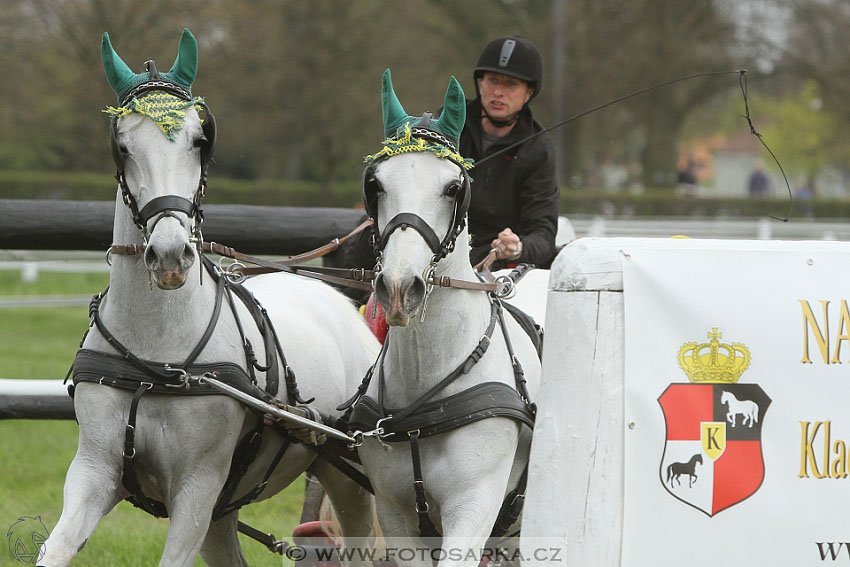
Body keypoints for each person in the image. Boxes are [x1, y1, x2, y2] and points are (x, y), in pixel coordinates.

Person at [459, 35, 560, 270]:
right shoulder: (450, 122)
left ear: (528, 93)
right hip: (434, 242)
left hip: (490, 255)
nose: (498, 92)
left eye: (510, 84)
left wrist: (517, 248)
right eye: (492, 80)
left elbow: (543, 234)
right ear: (480, 82)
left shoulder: (540, 149)